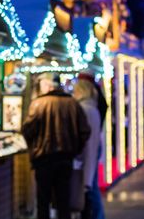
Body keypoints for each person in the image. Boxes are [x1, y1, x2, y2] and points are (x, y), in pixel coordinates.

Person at [22, 74, 91, 219]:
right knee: (63, 200)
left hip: (43, 158)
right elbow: (84, 131)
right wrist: (75, 149)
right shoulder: (72, 103)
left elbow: (27, 130)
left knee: (43, 201)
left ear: (48, 87)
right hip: (65, 158)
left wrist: (34, 148)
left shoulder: (38, 103)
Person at [73, 79, 104, 219]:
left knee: (89, 189)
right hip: (92, 151)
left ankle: (96, 215)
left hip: (86, 153)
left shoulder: (84, 109)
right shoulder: (92, 107)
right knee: (92, 186)